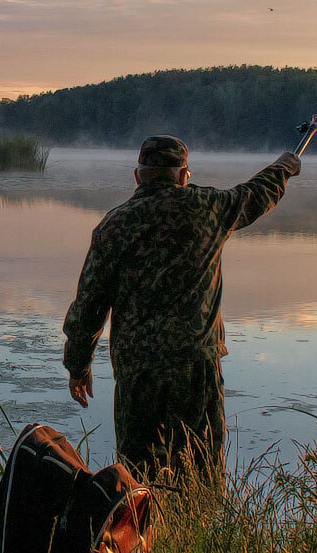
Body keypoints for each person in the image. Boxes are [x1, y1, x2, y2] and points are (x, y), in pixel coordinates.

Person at [62, 135, 301, 481]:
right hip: (197, 369)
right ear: (183, 175)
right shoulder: (210, 209)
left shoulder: (113, 227)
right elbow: (256, 193)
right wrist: (285, 166)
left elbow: (89, 306)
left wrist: (78, 364)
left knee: (138, 479)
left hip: (139, 374)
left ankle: (148, 533)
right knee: (201, 473)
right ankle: (199, 529)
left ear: (138, 176)